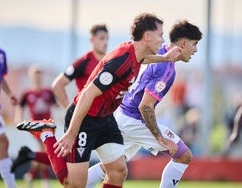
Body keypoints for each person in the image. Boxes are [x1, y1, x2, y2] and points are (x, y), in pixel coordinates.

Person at [15, 12, 182, 188]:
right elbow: (87, 94)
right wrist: (72, 132)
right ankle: (47, 134)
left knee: (118, 171)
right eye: (160, 35)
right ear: (147, 36)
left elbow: (144, 58)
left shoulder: (136, 54)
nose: (163, 40)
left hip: (106, 119)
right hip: (86, 118)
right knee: (72, 184)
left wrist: (164, 58)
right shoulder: (121, 61)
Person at [86, 19, 202, 188]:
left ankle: (75, 184)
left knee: (111, 168)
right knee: (183, 155)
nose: (196, 50)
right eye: (194, 44)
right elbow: (145, 106)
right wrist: (160, 138)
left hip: (122, 116)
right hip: (134, 119)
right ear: (183, 43)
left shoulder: (157, 53)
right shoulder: (166, 68)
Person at [11, 24, 109, 172]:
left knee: (114, 165)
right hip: (85, 119)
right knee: (71, 167)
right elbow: (58, 85)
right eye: (101, 38)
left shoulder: (109, 62)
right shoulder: (83, 62)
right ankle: (43, 141)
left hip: (104, 118)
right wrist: (72, 111)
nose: (105, 42)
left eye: (107, 38)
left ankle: (31, 153)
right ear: (92, 40)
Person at [13, 65, 57, 188]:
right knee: (45, 150)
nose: (38, 75)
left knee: (43, 152)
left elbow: (57, 104)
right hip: (35, 127)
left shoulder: (48, 92)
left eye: (39, 72)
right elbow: (20, 107)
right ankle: (45, 181)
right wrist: (18, 119)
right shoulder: (27, 93)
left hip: (48, 126)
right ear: (31, 75)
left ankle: (31, 175)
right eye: (35, 73)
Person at [0, 17, 18, 188]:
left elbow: (1, 77)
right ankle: (11, 185)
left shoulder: (1, 54)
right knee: (2, 141)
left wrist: (9, 94)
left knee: (2, 141)